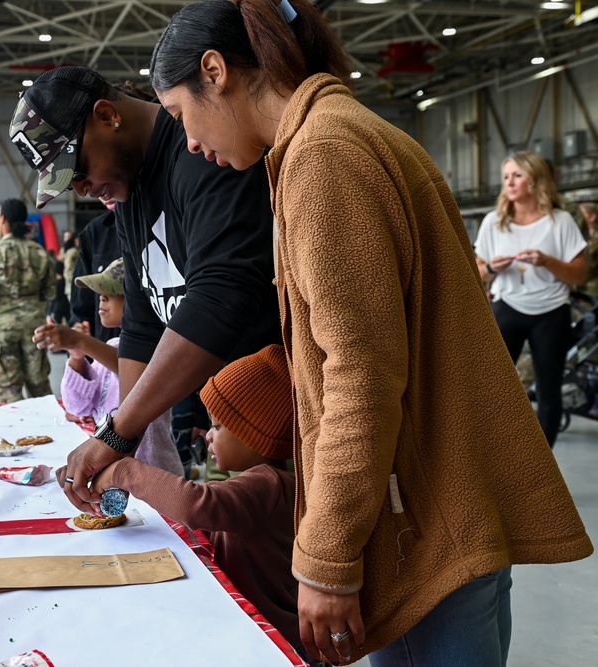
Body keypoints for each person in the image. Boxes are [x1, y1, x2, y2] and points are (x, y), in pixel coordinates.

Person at [147, 1, 593, 664]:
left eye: (181, 114)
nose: (188, 143)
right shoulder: (342, 132)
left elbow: (359, 374)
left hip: (423, 526)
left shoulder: (321, 157)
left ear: (216, 71)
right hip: (444, 505)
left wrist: (325, 556)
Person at [9, 64, 281, 512]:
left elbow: (220, 299)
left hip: (284, 424)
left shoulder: (201, 149)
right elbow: (141, 324)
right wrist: (122, 440)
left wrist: (118, 430)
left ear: (106, 115)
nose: (80, 190)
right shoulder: (130, 194)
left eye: (76, 170)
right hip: (232, 428)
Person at [78, 345, 306, 661]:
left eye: (218, 427)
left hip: (269, 638)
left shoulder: (266, 485)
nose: (208, 437)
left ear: (255, 435)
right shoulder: (262, 481)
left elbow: (196, 505)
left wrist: (123, 470)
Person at [476, 152, 587, 447]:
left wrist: (547, 261)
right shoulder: (494, 222)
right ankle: (494, 451)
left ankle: (544, 463)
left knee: (549, 391)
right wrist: (490, 268)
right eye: (506, 177)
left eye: (517, 175)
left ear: (535, 180)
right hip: (507, 308)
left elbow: (579, 275)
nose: (510, 183)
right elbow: (476, 270)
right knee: (493, 384)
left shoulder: (560, 222)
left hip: (551, 313)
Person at [37, 259, 183, 475]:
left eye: (112, 292)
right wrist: (77, 357)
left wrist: (81, 342)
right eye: (100, 293)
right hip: (115, 472)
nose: (102, 298)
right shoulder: (110, 347)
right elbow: (77, 407)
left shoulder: (159, 347)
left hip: (154, 473)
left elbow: (133, 368)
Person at [0, 199, 56, 404]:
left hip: (1, 332)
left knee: (8, 393)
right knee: (39, 388)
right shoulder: (39, 252)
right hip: (34, 328)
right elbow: (50, 292)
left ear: (2, 220)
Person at [69, 199, 122, 344]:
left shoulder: (165, 225)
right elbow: (81, 307)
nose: (102, 297)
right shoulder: (95, 233)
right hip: (105, 351)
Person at [578, 201, 598, 296]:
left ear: (592, 217)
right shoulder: (580, 236)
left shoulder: (595, 239)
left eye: (581, 214)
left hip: (591, 291)